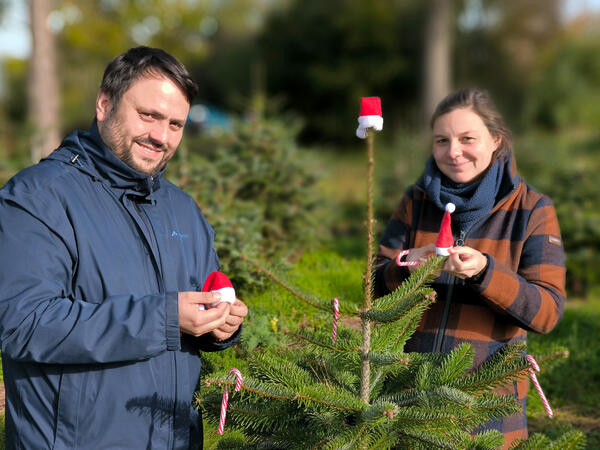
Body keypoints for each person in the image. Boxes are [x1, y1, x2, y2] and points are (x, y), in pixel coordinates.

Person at [0, 46, 248, 449]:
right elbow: (22, 323)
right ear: (104, 104)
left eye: (175, 124)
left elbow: (193, 308)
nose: (160, 136)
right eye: (148, 115)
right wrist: (166, 318)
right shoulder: (37, 196)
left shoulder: (184, 211)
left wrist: (220, 326)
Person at [375, 88, 565, 448]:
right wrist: (405, 268)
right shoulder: (415, 202)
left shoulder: (532, 210)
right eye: (442, 140)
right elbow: (372, 281)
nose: (453, 152)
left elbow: (547, 312)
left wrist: (485, 274)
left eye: (467, 139)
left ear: (495, 140)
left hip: (488, 409)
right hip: (406, 403)